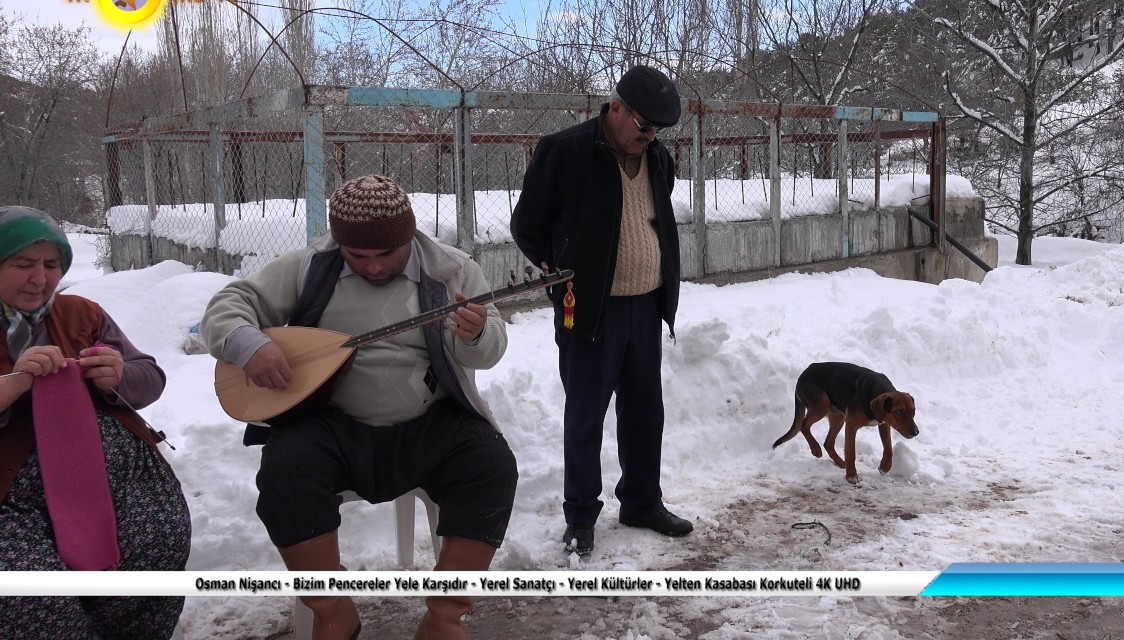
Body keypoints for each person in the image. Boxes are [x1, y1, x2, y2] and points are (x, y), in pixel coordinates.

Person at [201, 175, 518, 640]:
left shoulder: (451, 271)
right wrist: (248, 344)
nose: (372, 267)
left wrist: (477, 334)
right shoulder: (311, 266)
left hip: (429, 422)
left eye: (386, 255)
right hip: (332, 426)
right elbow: (230, 303)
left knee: (491, 464)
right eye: (358, 256)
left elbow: (489, 351)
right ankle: (333, 610)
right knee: (285, 470)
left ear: (408, 236)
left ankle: (446, 617)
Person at [511, 65, 691, 557]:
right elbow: (527, 225)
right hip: (587, 309)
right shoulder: (565, 151)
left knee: (643, 410)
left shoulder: (657, 158)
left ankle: (640, 501)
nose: (651, 137)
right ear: (616, 109)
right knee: (586, 414)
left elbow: (651, 216)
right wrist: (559, 265)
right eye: (644, 126)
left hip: (646, 304)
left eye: (658, 130)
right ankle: (581, 516)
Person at [0, 206, 190, 639]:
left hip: (110, 479)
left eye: (51, 265)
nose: (40, 278)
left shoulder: (81, 316)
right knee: (31, 598)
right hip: (10, 497)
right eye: (23, 265)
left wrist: (119, 376)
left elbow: (151, 378)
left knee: (157, 543)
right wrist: (13, 385)